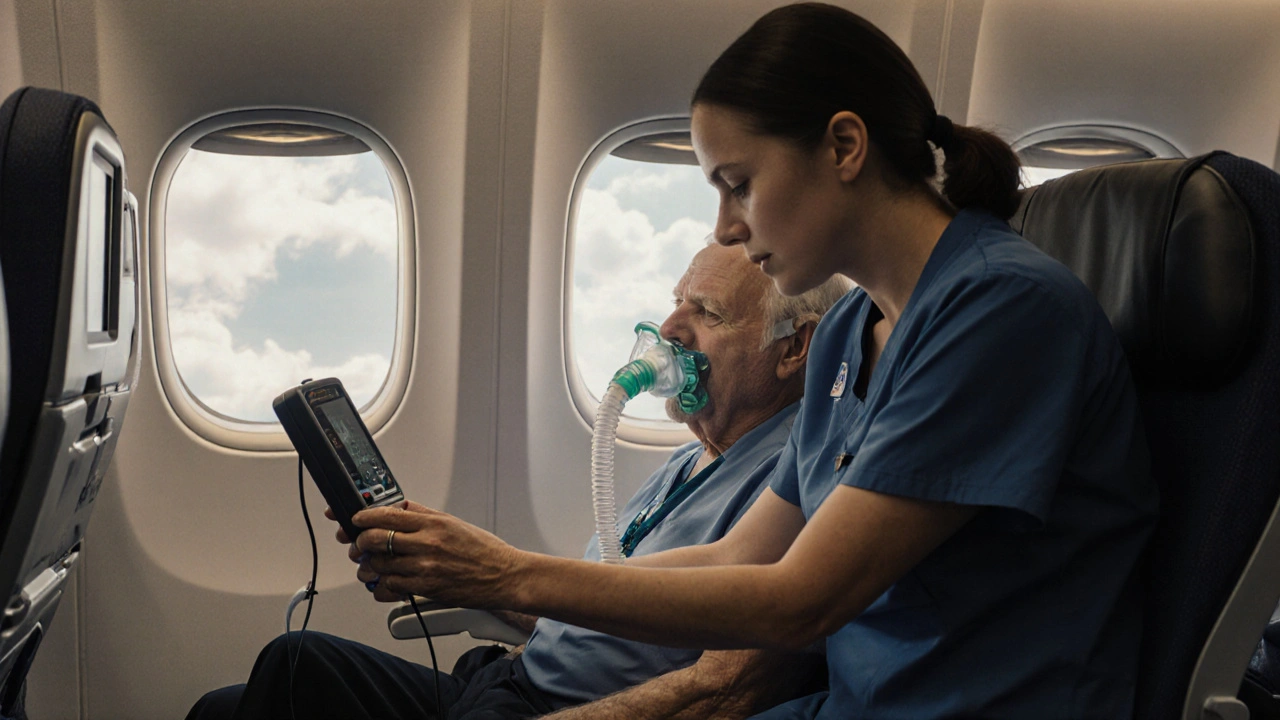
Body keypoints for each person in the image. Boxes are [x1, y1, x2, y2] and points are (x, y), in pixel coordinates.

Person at [344, 3, 1161, 719]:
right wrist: (489, 570)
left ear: (844, 146)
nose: (727, 226)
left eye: (737, 183)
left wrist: (507, 576)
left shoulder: (1001, 311)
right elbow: (742, 556)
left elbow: (801, 601)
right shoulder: (848, 330)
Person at [185, 243, 850, 720]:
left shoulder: (793, 480)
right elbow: (610, 609)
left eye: (704, 312)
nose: (668, 329)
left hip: (564, 708)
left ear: (794, 349)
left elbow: (724, 690)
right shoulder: (695, 455)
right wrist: (453, 569)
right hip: (508, 679)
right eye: (675, 301)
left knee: (297, 665)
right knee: (224, 709)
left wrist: (500, 574)